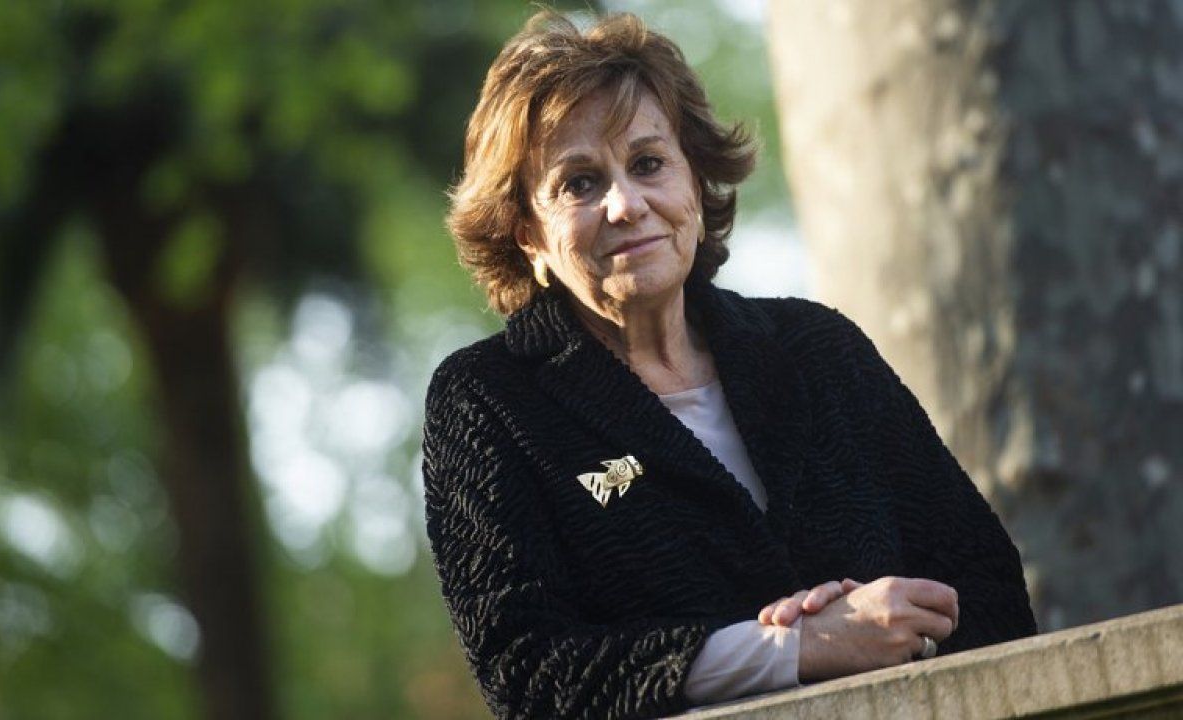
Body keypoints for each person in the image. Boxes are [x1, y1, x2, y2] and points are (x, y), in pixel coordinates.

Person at [422, 10, 1036, 720]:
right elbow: (528, 672)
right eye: (580, 183)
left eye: (648, 164)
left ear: (693, 178)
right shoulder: (488, 401)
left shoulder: (819, 348)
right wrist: (791, 649)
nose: (626, 205)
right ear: (527, 233)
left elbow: (985, 584)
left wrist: (902, 640)